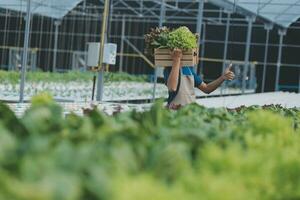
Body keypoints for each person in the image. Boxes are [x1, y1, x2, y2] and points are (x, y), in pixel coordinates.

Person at [164, 48, 235, 109]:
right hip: (173, 112)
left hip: (189, 111)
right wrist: (176, 60)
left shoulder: (189, 69)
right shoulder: (169, 68)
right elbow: (172, 88)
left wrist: (223, 77)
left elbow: (207, 89)